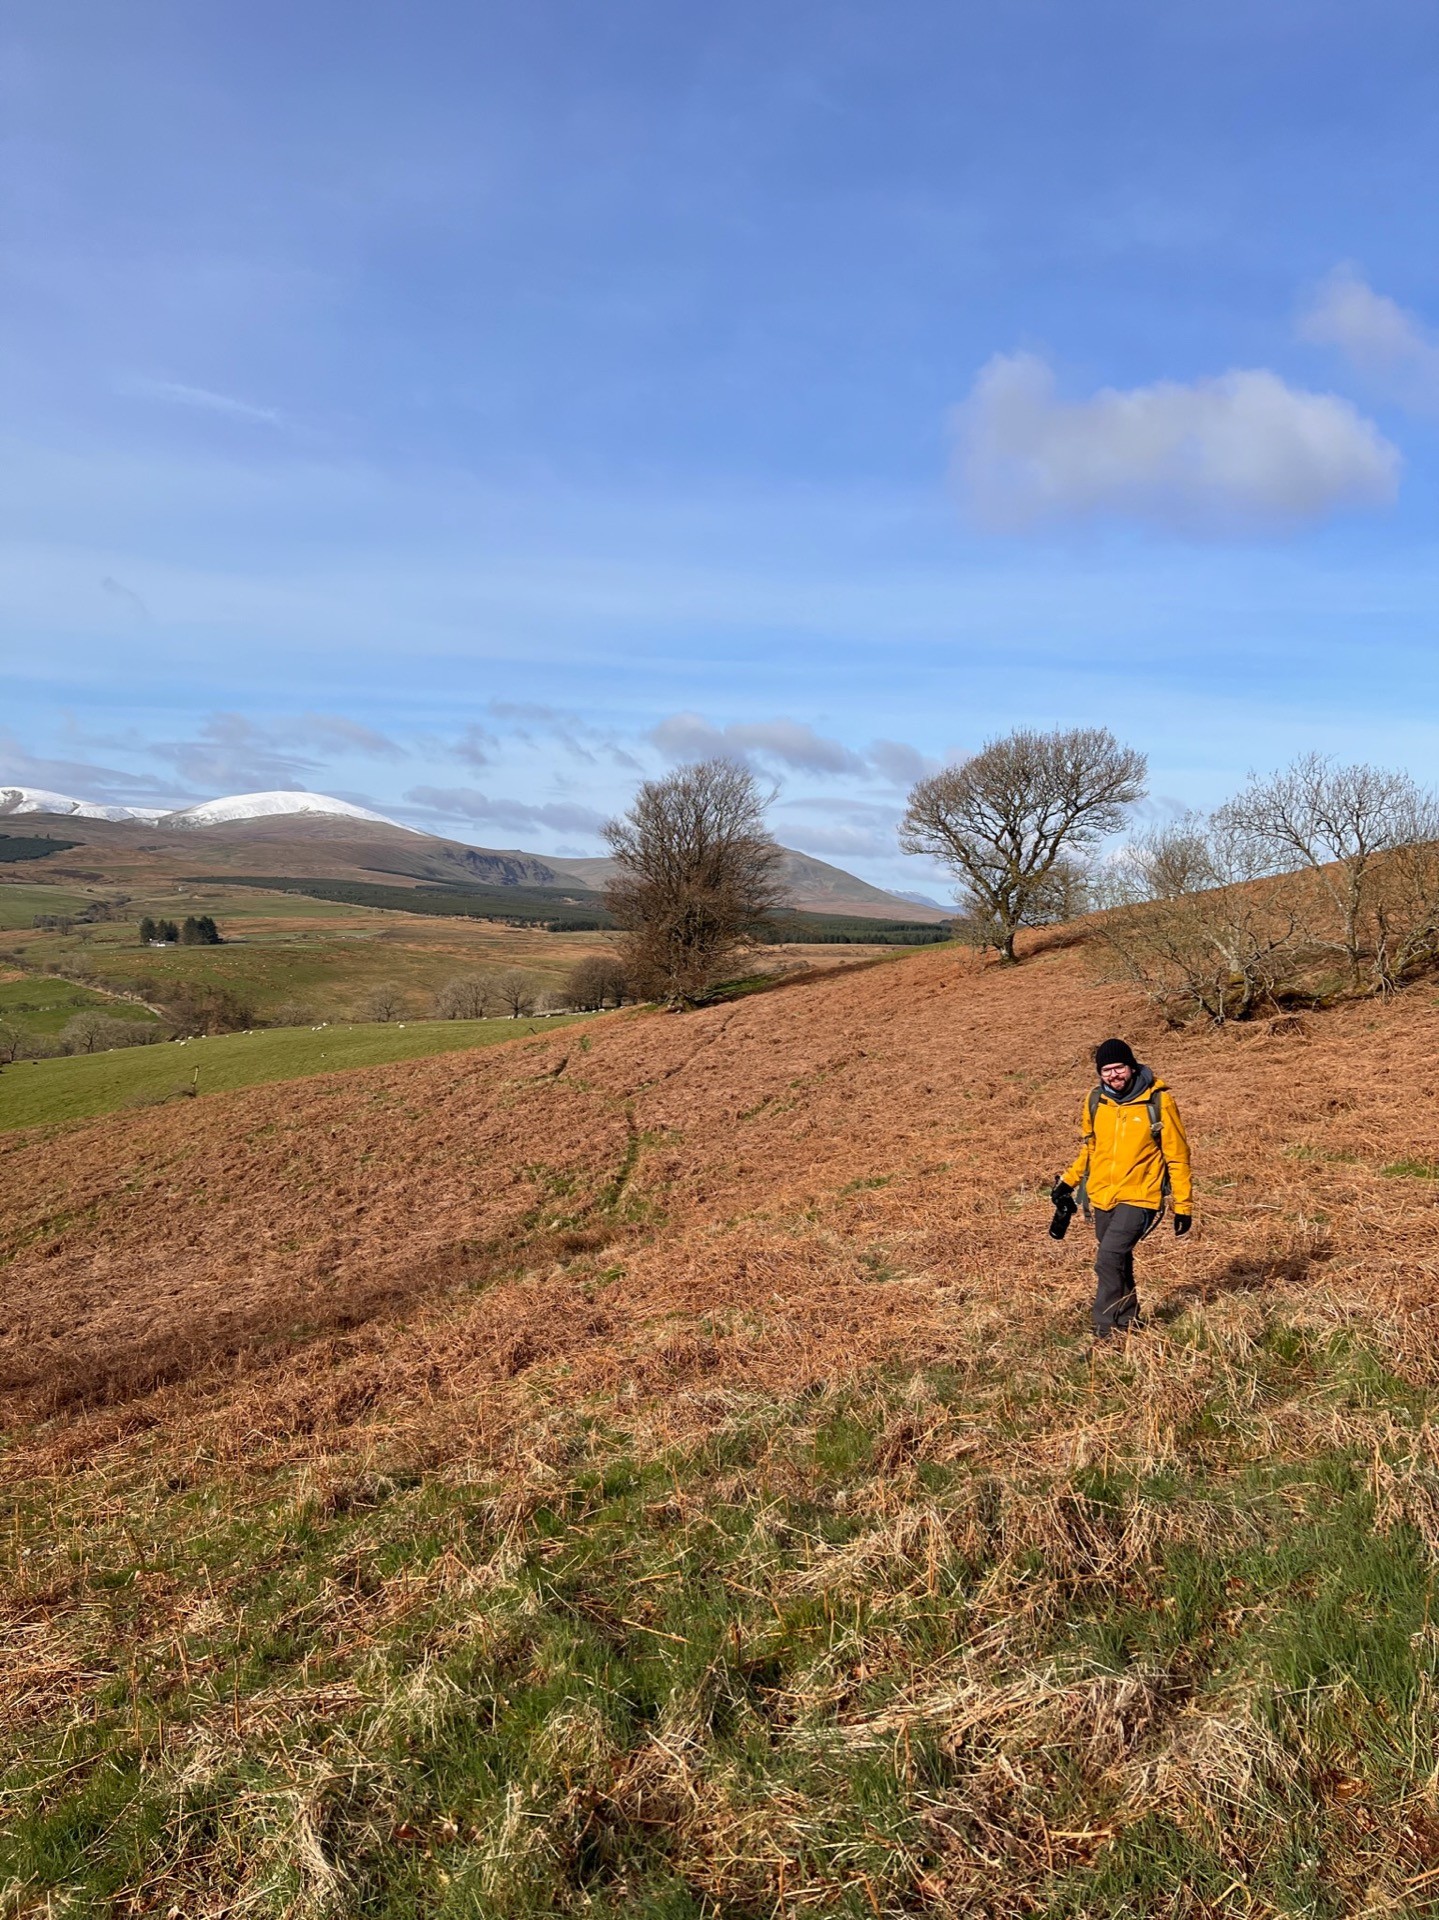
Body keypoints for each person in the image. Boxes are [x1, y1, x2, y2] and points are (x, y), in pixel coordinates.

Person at [1050, 1038, 1192, 1341]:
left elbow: (1178, 1156)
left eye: (1119, 1068)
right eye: (1106, 1070)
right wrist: (1068, 1181)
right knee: (1118, 1260)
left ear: (1131, 1066)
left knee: (1107, 1258)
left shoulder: (1158, 1101)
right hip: (1102, 1195)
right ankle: (1129, 1324)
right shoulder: (1095, 1101)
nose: (1114, 1075)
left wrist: (1184, 1206)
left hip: (1141, 1195)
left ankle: (1105, 1329)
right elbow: (1091, 1150)